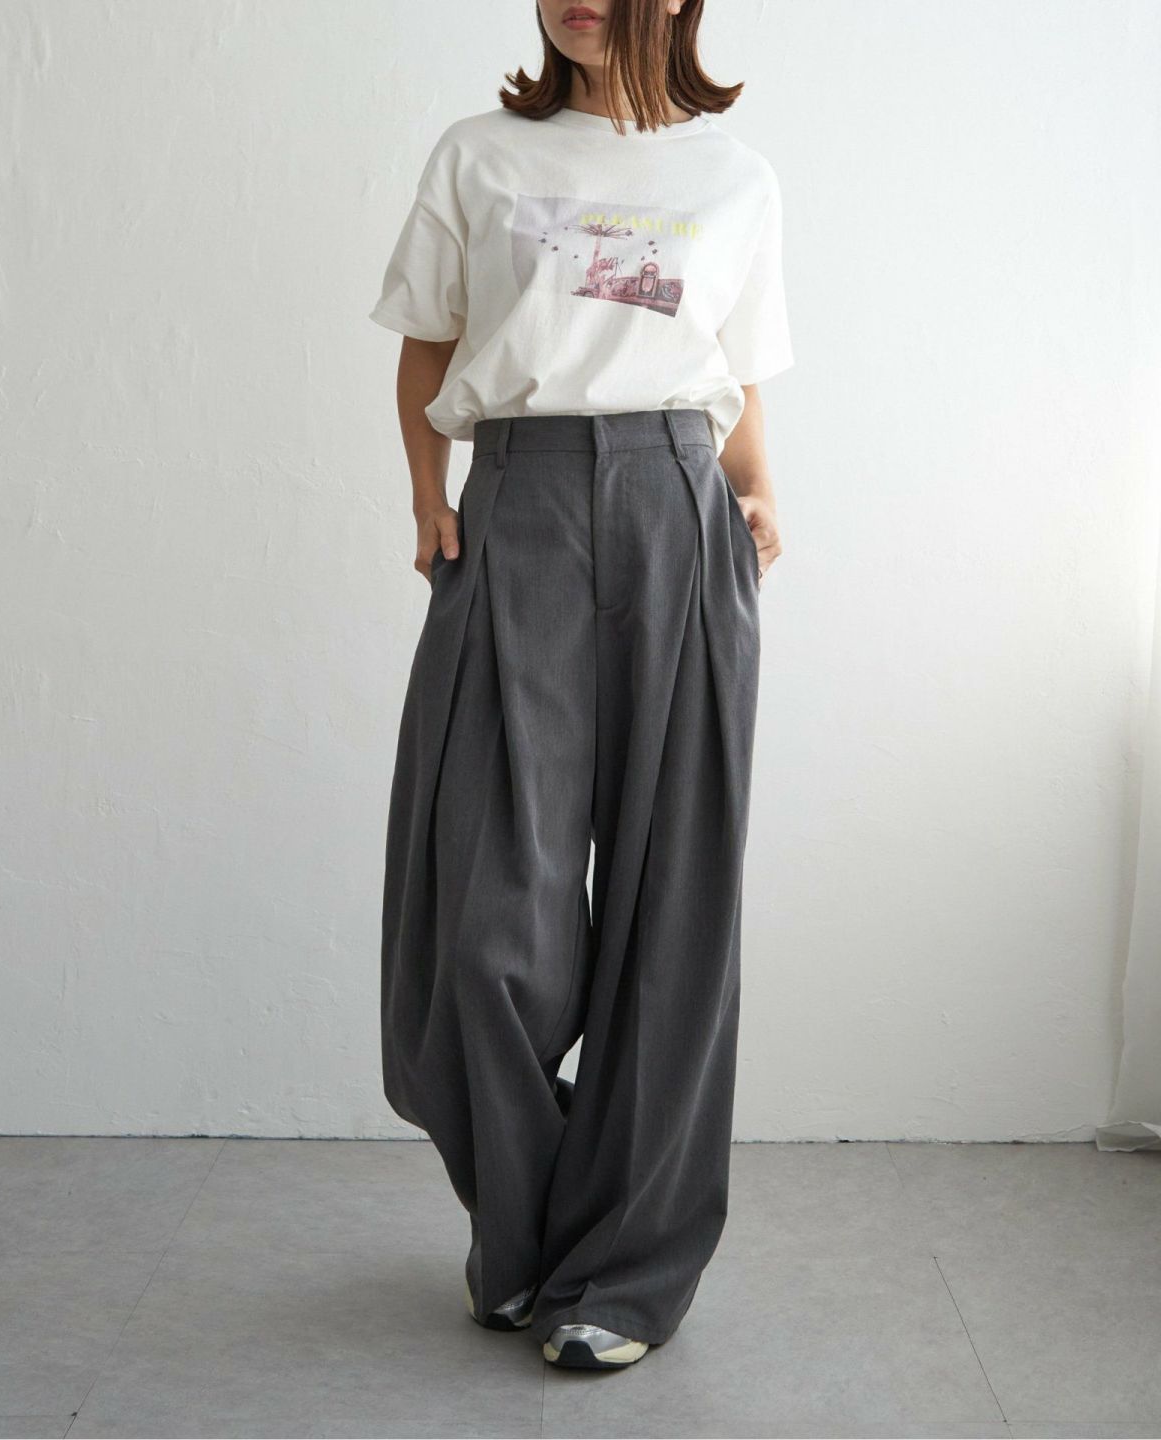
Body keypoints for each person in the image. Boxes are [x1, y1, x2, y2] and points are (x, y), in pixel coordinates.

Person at [368, 0, 794, 1371]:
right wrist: (427, 493)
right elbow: (428, 341)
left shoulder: (734, 175)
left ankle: (622, 1272)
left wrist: (759, 489)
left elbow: (739, 367)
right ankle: (533, 1234)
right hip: (521, 506)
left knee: (675, 918)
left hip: (680, 509)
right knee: (484, 925)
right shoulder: (479, 153)